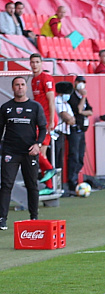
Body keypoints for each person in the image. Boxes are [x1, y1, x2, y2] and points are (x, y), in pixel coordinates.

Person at [0, 76, 47, 230]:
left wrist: (38, 144)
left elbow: (43, 129)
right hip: (10, 152)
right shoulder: (6, 108)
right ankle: (2, 219)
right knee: (6, 185)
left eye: (22, 85)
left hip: (29, 152)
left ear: (26, 87)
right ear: (12, 88)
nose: (20, 87)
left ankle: (34, 216)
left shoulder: (35, 107)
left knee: (32, 184)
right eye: (16, 85)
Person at [29, 53, 57, 192]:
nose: (34, 65)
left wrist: (51, 120)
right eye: (32, 62)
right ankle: (49, 186)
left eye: (37, 62)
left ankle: (50, 169)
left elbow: (51, 100)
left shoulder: (46, 78)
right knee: (41, 153)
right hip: (40, 119)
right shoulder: (34, 80)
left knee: (33, 148)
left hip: (46, 120)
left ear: (41, 64)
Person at [67, 76, 92, 194]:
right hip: (74, 130)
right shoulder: (72, 96)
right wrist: (83, 98)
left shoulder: (82, 97)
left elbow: (90, 111)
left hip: (82, 130)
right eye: (79, 82)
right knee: (74, 155)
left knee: (81, 156)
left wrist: (83, 111)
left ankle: (76, 178)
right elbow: (79, 109)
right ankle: (71, 182)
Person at [53, 81, 75, 195]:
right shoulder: (57, 101)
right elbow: (66, 117)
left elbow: (72, 120)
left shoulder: (66, 103)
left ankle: (59, 186)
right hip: (56, 133)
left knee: (59, 161)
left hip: (62, 134)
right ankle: (54, 185)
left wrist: (70, 119)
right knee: (55, 160)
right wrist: (69, 119)